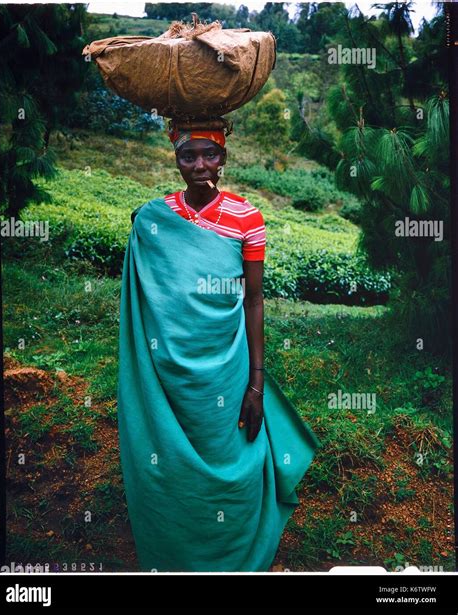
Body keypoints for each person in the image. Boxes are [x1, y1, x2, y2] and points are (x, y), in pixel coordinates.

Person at [117, 120, 320, 572]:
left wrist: (256, 383)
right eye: (188, 155)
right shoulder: (156, 216)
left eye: (209, 154)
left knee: (235, 460)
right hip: (168, 367)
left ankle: (235, 551)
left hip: (226, 367)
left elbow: (253, 299)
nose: (199, 165)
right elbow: (154, 279)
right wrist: (146, 222)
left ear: (224, 158)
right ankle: (177, 553)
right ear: (176, 159)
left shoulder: (247, 219)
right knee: (168, 460)